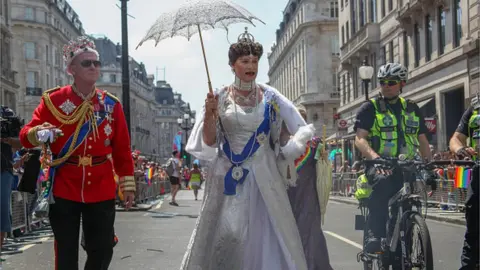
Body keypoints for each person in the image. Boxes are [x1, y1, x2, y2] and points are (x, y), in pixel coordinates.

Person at [180, 28, 314, 269]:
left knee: (267, 233)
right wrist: (210, 113)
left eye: (255, 61)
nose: (251, 65)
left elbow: (296, 125)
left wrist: (294, 148)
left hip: (264, 173)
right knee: (229, 233)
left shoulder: (271, 96)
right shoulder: (219, 96)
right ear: (233, 65)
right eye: (245, 61)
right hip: (227, 173)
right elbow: (210, 141)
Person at [19, 36, 135, 270]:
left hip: (101, 184)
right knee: (65, 252)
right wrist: (39, 133)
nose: (93, 67)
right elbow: (25, 134)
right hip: (65, 184)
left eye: (96, 63)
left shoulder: (111, 105)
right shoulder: (54, 101)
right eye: (86, 63)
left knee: (102, 248)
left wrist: (127, 183)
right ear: (71, 69)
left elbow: (122, 147)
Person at [354, 62, 432, 253]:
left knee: (410, 201)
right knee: (381, 184)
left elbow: (422, 140)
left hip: (408, 165)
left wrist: (429, 167)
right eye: (382, 82)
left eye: (391, 82)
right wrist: (375, 157)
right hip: (380, 164)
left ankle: (407, 231)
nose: (386, 86)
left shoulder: (412, 107)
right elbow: (360, 139)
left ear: (402, 83)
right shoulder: (369, 108)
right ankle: (375, 234)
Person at [285, 106, 333, 270]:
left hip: (307, 197)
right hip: (289, 197)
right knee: (299, 234)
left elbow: (322, 166)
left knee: (309, 234)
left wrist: (323, 156)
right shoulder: (282, 144)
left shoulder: (314, 144)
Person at [449, 97, 479, 270]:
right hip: (478, 172)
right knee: (473, 227)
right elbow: (455, 139)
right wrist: (460, 150)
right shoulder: (474, 108)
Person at [0, 106, 23, 262]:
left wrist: (7, 139)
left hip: (3, 171)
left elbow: (20, 143)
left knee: (1, 213)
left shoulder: (7, 114)